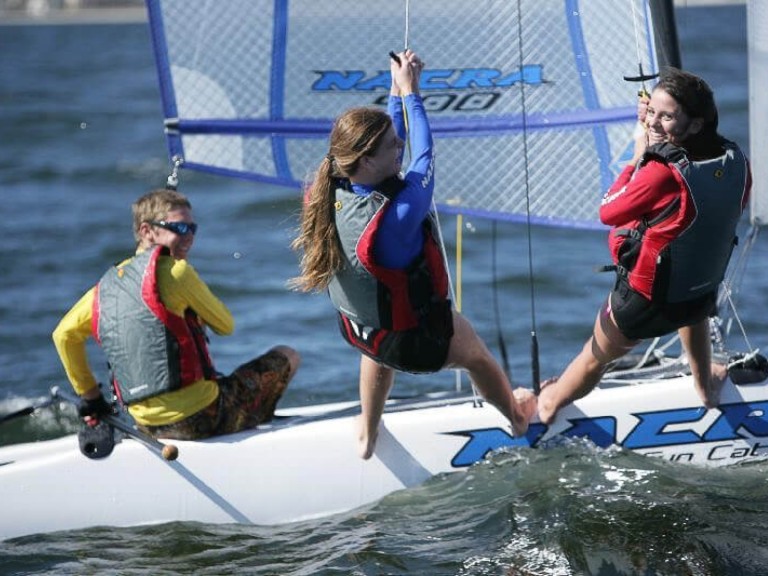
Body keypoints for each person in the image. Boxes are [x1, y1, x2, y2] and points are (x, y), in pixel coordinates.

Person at [290, 49, 536, 459]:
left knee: (377, 351)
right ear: (367, 160)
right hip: (417, 343)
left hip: (364, 333)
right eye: (391, 146)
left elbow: (390, 144)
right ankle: (517, 417)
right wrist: (413, 93)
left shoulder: (326, 190)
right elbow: (426, 157)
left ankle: (368, 435)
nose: (399, 146)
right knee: (475, 355)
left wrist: (393, 91)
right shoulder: (399, 215)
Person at [537, 67, 751, 425]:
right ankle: (705, 385)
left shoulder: (661, 171)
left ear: (696, 124)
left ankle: (548, 404)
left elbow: (608, 211)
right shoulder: (734, 159)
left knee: (595, 357)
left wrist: (640, 158)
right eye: (651, 111)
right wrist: (657, 134)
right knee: (693, 312)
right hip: (700, 292)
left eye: (667, 116)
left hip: (645, 301)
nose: (654, 121)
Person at [52, 188, 300, 440]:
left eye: (193, 229)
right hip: (202, 418)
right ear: (146, 231)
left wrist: (91, 396)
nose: (189, 237)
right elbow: (226, 326)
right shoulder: (178, 272)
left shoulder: (104, 289)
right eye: (179, 229)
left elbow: (63, 336)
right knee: (287, 356)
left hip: (144, 424)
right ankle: (253, 429)